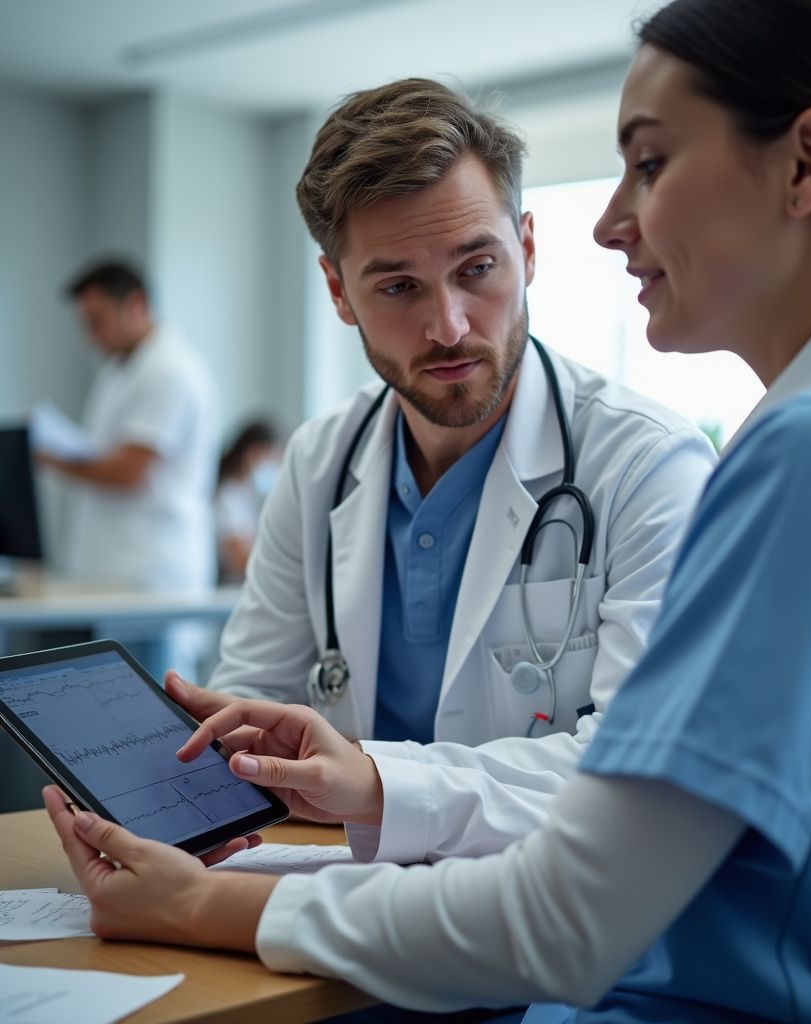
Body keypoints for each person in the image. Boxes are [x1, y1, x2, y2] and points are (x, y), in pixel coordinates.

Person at [46, 0, 811, 1020]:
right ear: (340, 293)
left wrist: (210, 905)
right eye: (397, 287)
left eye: (649, 163)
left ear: (807, 164)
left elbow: (571, 912)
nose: (609, 221)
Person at [200, 78, 717, 867]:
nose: (448, 326)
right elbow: (251, 710)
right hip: (354, 908)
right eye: (399, 286)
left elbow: (638, 775)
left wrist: (379, 785)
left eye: (477, 268)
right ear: (339, 291)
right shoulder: (319, 464)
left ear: (530, 250)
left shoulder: (647, 465)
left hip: (555, 936)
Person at [42, 261, 218, 592]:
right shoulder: (120, 369)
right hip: (112, 570)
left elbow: (131, 471)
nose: (91, 337)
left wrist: (53, 458)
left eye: (98, 322)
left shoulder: (169, 370)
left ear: (136, 305)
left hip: (150, 574)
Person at [214, 419, 280, 583]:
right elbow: (240, 560)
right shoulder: (227, 497)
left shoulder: (244, 493)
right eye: (272, 456)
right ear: (253, 453)